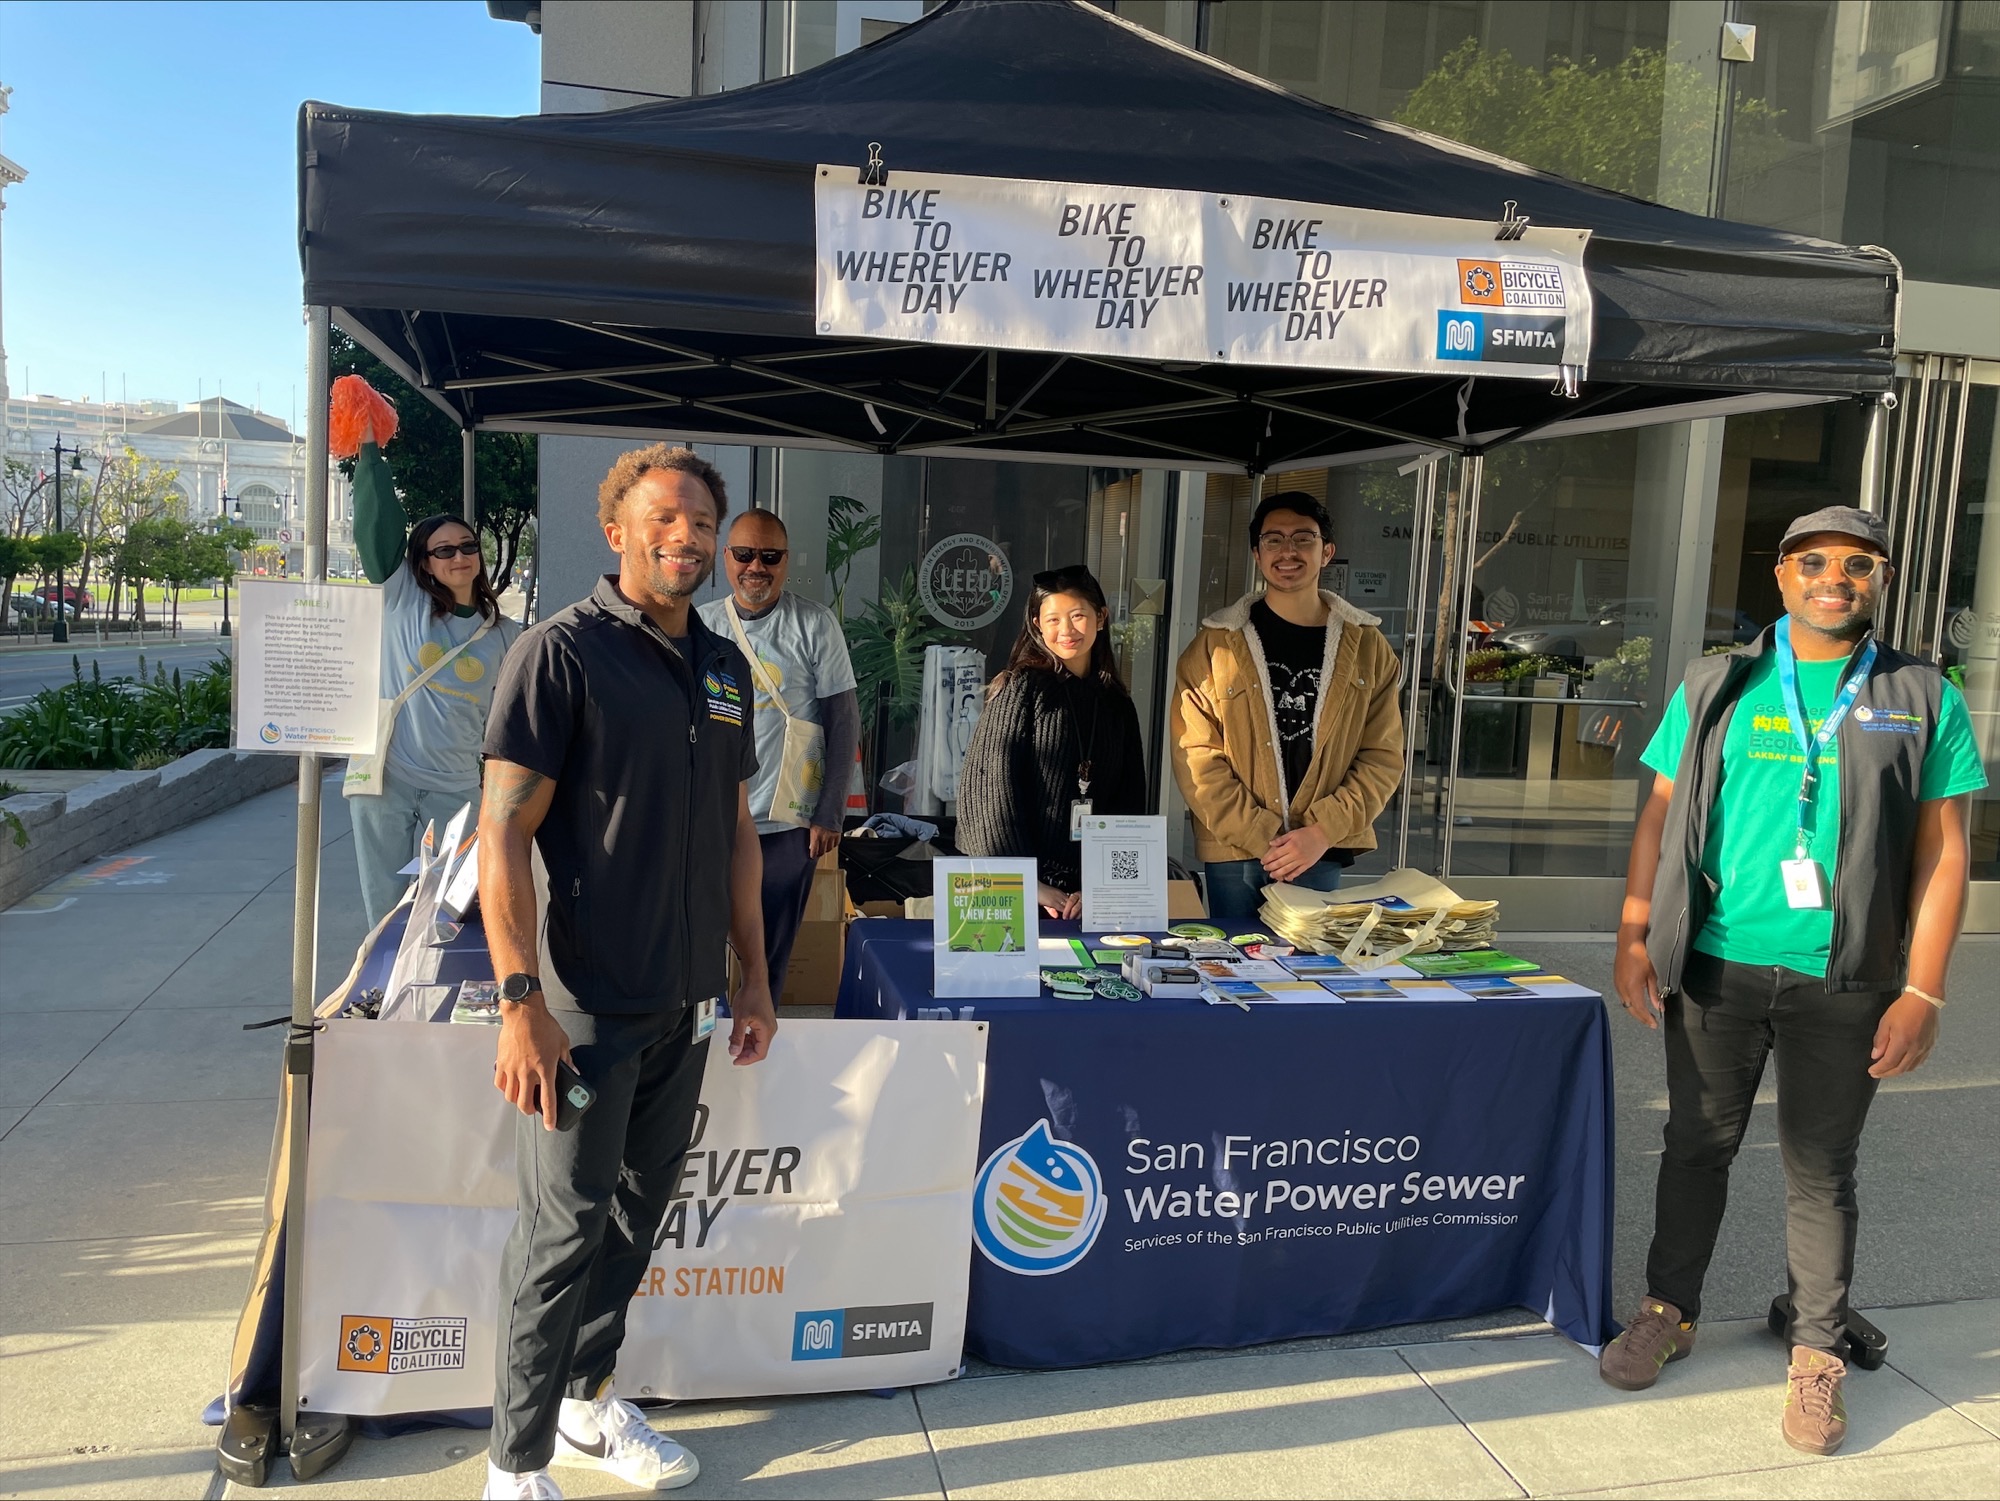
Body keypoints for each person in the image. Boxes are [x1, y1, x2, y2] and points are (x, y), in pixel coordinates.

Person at [1603, 505, 1985, 1455]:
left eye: (1859, 563)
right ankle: (1669, 1309)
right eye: (1814, 559)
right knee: (1694, 1145)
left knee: (1821, 1171)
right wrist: (1635, 933)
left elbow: (1946, 850)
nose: (1835, 576)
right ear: (1780, 575)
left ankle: (1815, 1351)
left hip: (1846, 979)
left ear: (1880, 580)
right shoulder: (1717, 682)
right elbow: (1659, 815)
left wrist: (1925, 990)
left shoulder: (1921, 692)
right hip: (1719, 965)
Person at [476, 444, 777, 1501]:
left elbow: (736, 830)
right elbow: (501, 836)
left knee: (635, 1216)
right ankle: (512, 1466)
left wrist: (751, 974)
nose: (686, 536)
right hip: (583, 1008)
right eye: (663, 517)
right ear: (617, 528)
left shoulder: (724, 669)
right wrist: (521, 1006)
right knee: (560, 1231)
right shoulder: (557, 655)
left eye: (701, 520)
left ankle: (585, 1404)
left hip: (688, 1004)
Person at [1171, 490, 1402, 926]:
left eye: (1303, 538)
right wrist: (1262, 834)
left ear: (1326, 552)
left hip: (1321, 845)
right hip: (1236, 846)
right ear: (1257, 554)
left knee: (1306, 976)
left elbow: (1382, 756)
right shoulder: (1215, 644)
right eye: (1273, 540)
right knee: (1235, 968)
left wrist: (1320, 832)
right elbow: (1195, 755)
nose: (1288, 551)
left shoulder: (1368, 647)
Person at [697, 508, 861, 998]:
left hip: (787, 820)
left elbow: (844, 719)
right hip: (715, 816)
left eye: (769, 556)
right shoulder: (700, 625)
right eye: (744, 554)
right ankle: (708, 1040)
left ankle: (761, 1034)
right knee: (704, 937)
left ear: (786, 561)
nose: (756, 567)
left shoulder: (814, 624)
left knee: (768, 951)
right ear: (726, 558)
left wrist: (829, 813)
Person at [348, 495, 520, 929]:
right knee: (385, 906)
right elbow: (378, 524)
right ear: (424, 563)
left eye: (467, 546)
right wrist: (369, 444)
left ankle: (438, 987)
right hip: (387, 777)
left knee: (451, 909)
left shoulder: (505, 635)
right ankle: (384, 990)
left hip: (458, 787)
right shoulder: (402, 600)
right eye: (444, 550)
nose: (459, 556)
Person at [957, 565, 1147, 918]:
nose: (1066, 631)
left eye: (1078, 616)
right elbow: (989, 792)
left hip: (1088, 898)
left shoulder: (1118, 705)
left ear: (1101, 618)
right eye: (1053, 619)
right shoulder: (1020, 689)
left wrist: (1101, 887)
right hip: (1020, 894)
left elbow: (1130, 808)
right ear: (1037, 624)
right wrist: (1028, 884)